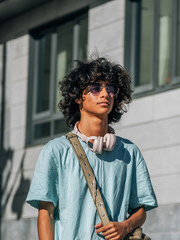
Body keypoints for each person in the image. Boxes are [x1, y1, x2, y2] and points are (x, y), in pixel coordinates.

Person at [26, 57, 158, 240]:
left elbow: (141, 210)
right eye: (96, 88)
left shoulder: (129, 152)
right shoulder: (55, 151)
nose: (105, 94)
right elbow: (45, 214)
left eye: (111, 88)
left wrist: (126, 226)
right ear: (79, 97)